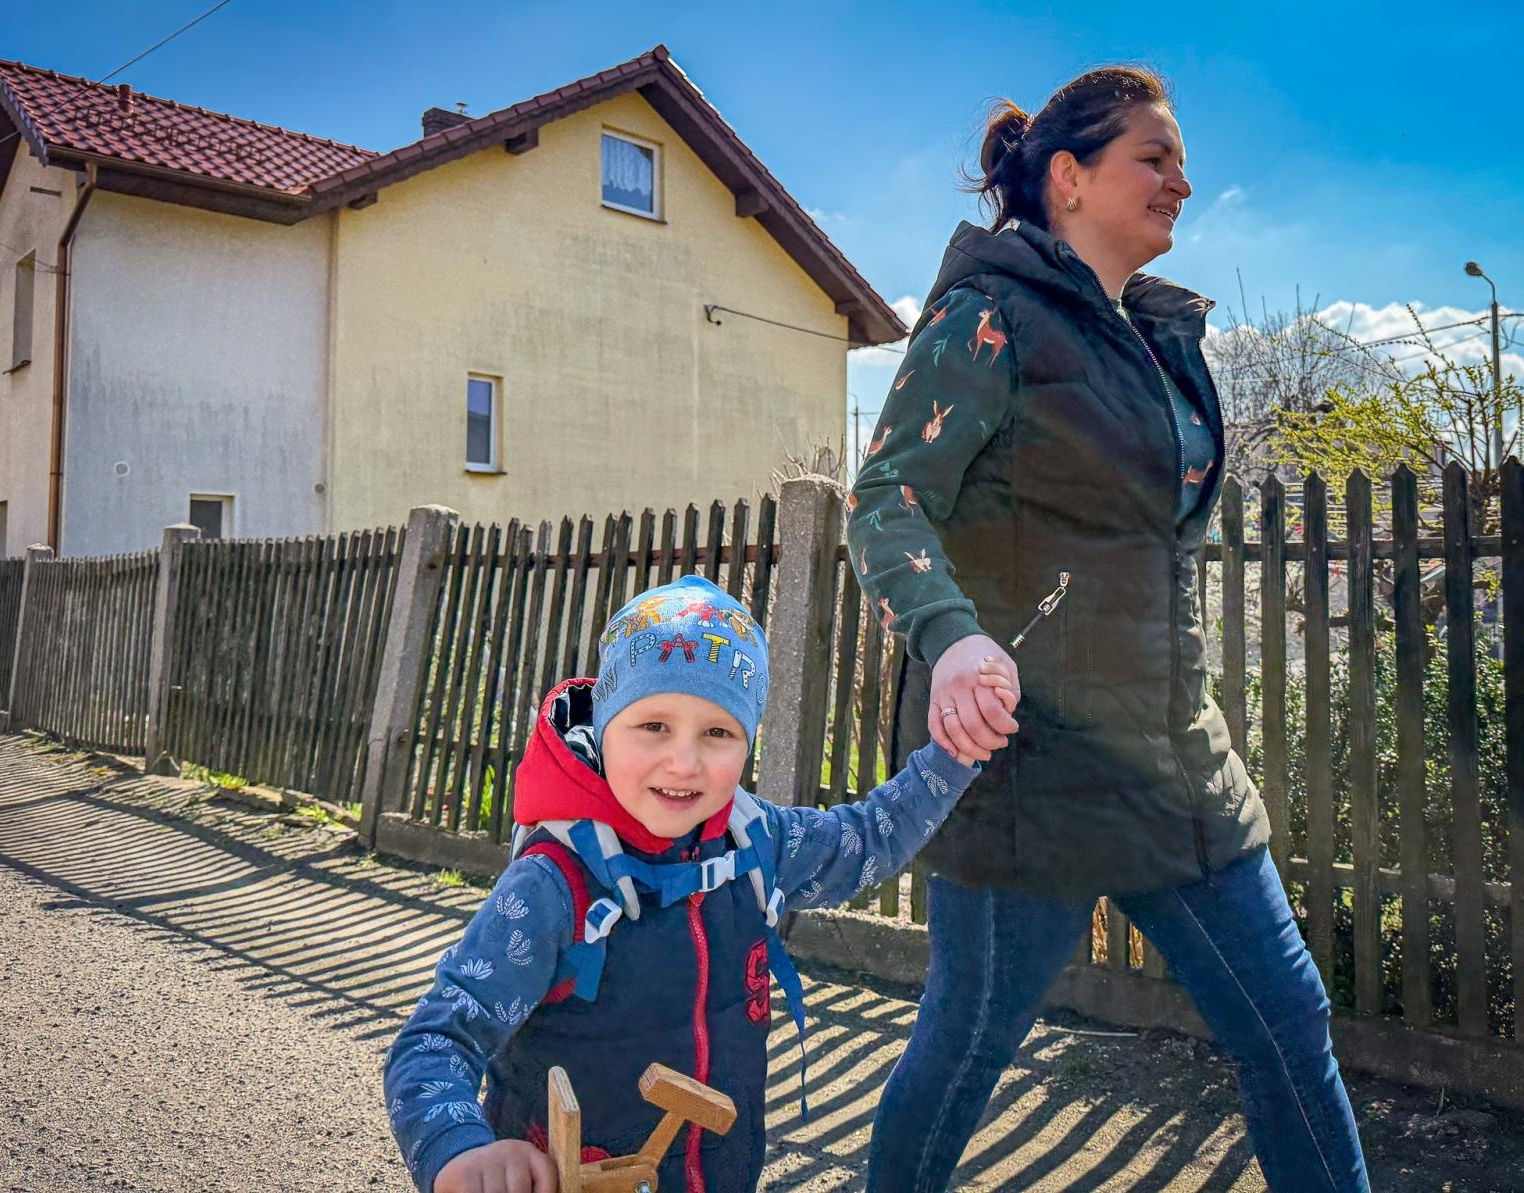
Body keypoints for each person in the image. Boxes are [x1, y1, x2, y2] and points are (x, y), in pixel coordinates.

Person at [848, 67, 1369, 1192]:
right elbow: (884, 498)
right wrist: (951, 636)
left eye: (1180, 161)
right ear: (1070, 177)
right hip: (1026, 770)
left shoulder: (1151, 338)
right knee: (962, 1052)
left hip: (1172, 756)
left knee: (1289, 1024)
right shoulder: (988, 315)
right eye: (1156, 157)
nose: (1182, 181)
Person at [383, 575, 1007, 1193]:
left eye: (717, 732)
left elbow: (868, 839)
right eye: (653, 725)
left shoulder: (757, 841)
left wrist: (953, 755)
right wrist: (460, 1152)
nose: (684, 763)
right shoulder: (551, 887)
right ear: (603, 724)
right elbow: (436, 1042)